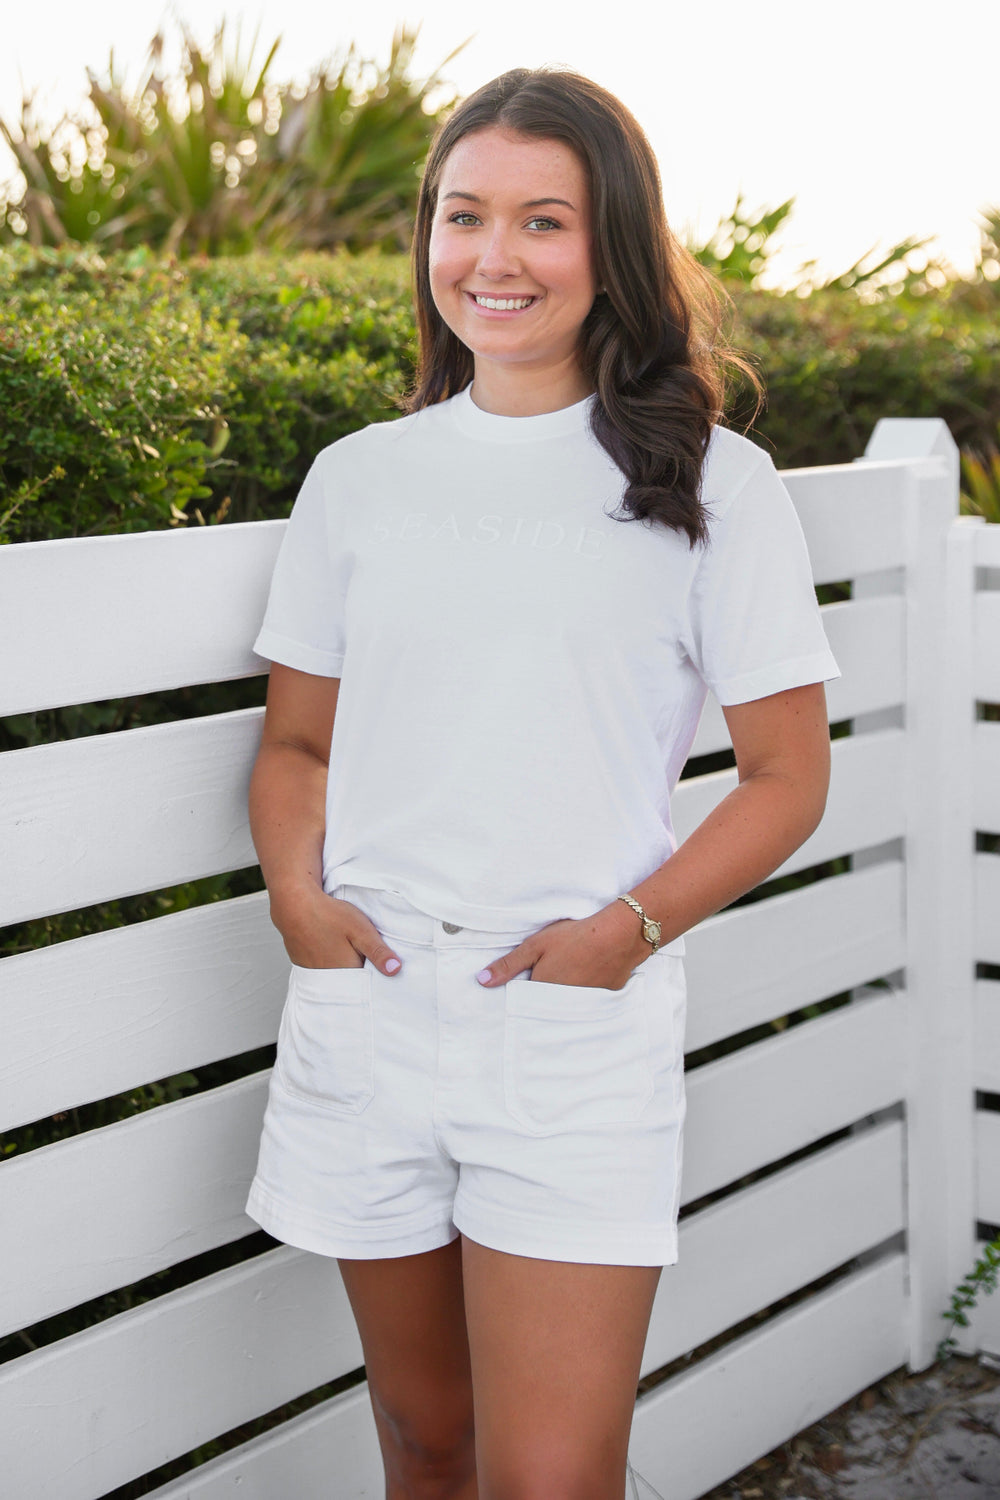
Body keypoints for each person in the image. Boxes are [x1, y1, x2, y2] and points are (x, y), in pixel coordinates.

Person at [244, 65, 840, 1500]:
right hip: (369, 1011)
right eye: (463, 216)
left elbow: (785, 777)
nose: (493, 258)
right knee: (425, 1445)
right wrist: (295, 899)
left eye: (543, 221)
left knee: (554, 1479)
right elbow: (297, 746)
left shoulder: (715, 483)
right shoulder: (362, 479)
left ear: (611, 244)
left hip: (570, 1030)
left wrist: (614, 944)